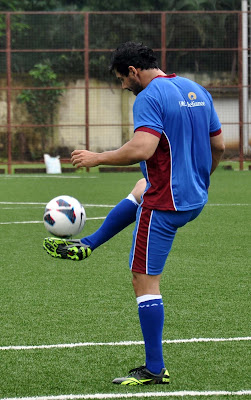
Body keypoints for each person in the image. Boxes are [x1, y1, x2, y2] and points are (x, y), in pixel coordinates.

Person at [43, 41, 225, 385]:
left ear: (133, 71)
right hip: (194, 197)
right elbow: (218, 145)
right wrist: (201, 179)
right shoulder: (194, 88)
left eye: (122, 81)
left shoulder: (148, 97)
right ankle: (90, 243)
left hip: (165, 205)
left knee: (143, 279)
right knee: (141, 186)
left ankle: (154, 368)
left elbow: (141, 148)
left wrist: (97, 157)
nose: (123, 87)